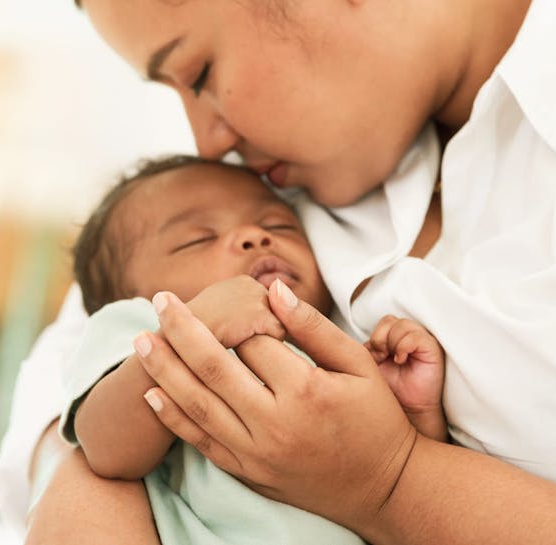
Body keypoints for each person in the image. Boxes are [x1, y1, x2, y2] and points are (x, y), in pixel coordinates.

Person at [0, 0, 556, 544]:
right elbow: (72, 387)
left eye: (198, 73)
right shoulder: (272, 172)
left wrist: (396, 481)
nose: (207, 142)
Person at [58, 154, 447, 545]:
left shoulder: (337, 344)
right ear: (126, 294)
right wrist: (191, 332)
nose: (255, 236)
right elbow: (106, 448)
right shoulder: (137, 324)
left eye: (278, 224)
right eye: (199, 239)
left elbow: (409, 496)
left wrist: (414, 415)